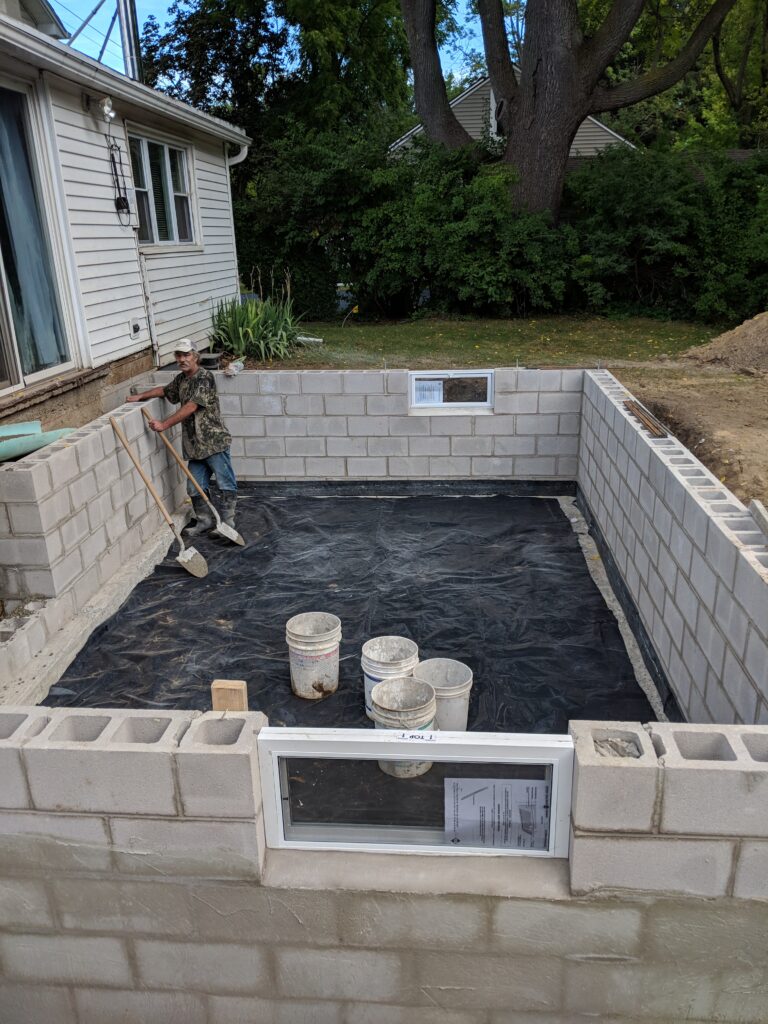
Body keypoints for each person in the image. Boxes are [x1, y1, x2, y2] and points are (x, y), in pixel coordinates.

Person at [127, 339, 237, 536]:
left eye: (186, 355)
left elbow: (192, 406)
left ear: (195, 356)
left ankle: (228, 524)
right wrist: (140, 397)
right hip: (194, 446)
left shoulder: (205, 377)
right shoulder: (181, 380)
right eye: (179, 355)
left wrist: (164, 424)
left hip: (213, 442)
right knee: (194, 487)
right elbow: (164, 391)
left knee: (225, 483)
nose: (182, 359)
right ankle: (205, 521)